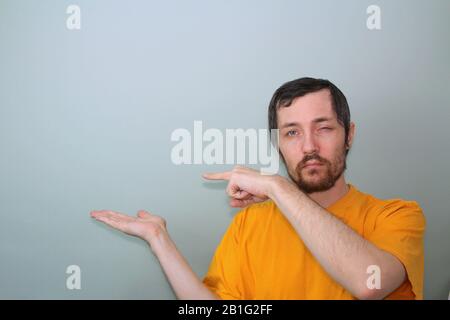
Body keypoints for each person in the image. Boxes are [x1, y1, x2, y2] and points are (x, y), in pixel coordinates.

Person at [90, 77, 425, 300]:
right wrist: (159, 240)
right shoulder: (249, 225)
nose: (309, 146)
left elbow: (370, 284)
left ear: (349, 134)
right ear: (277, 144)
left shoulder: (397, 215)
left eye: (323, 128)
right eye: (292, 132)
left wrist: (278, 187)